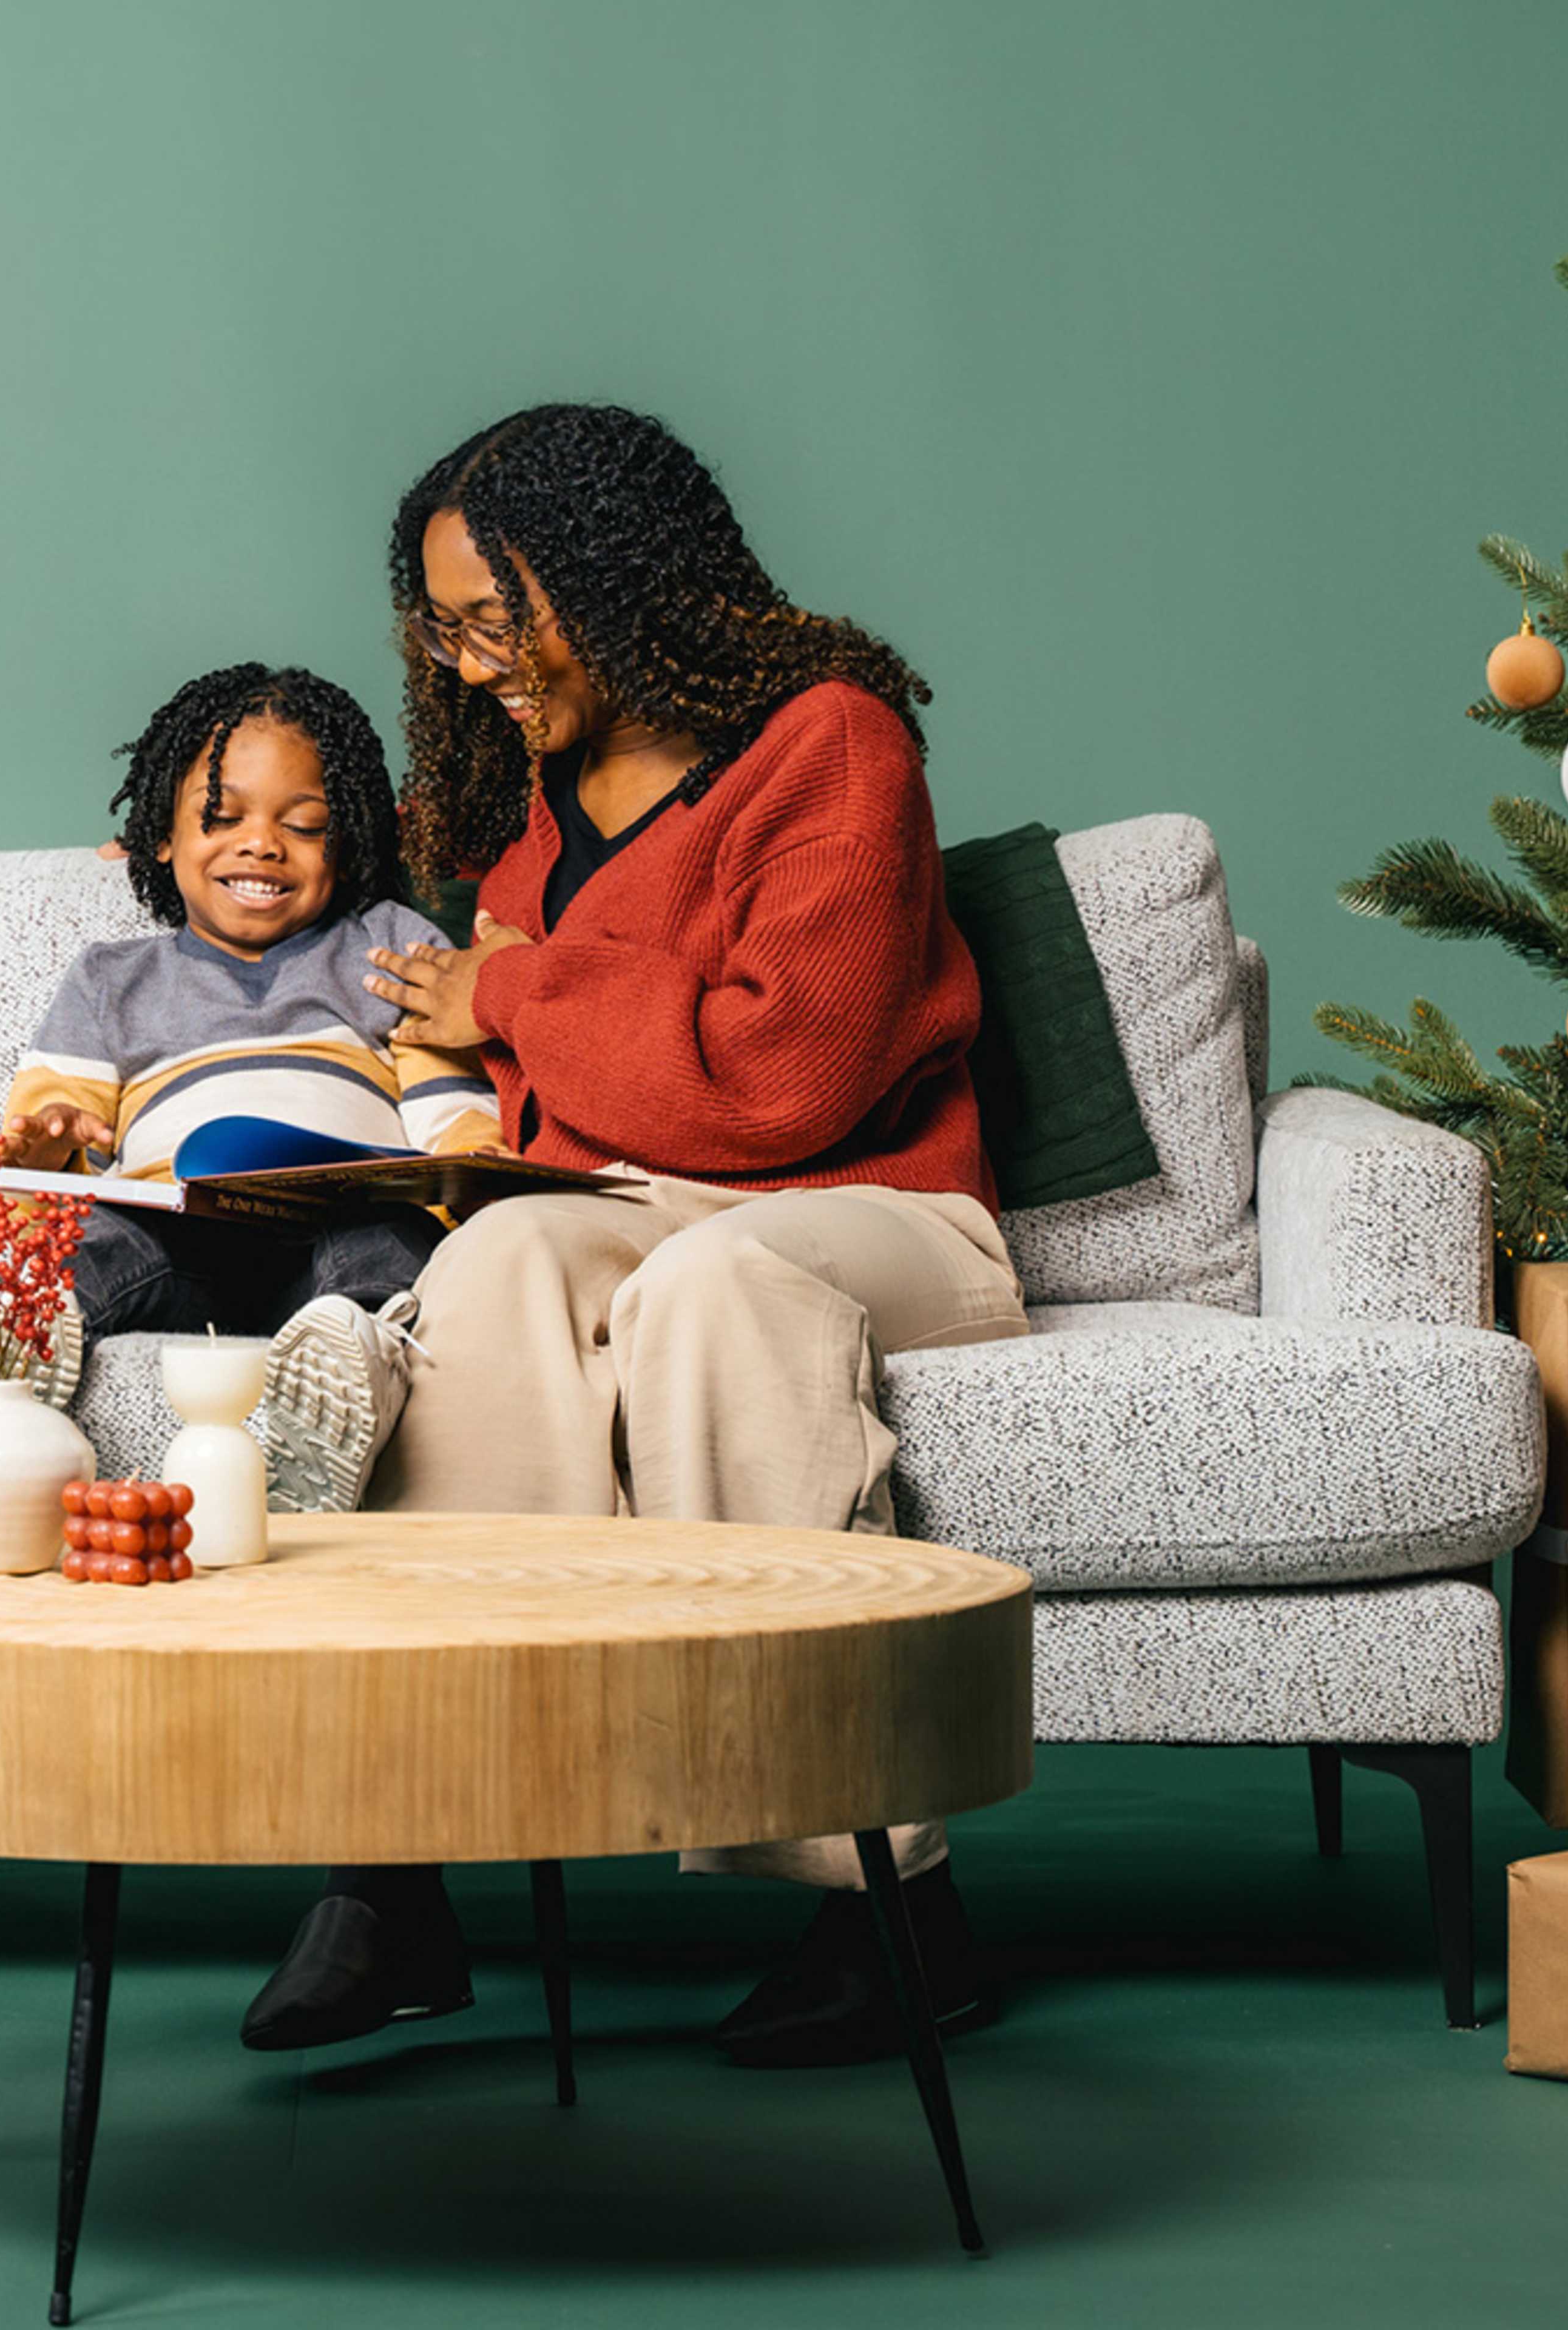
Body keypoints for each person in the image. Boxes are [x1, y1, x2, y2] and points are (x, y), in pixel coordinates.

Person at [240, 408, 1028, 2068]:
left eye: (494, 622)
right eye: (443, 632)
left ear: (614, 576)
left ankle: (888, 1903)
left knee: (714, 1282)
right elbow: (560, 1070)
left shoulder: (836, 743)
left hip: (879, 1215)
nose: (470, 668)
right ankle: (408, 1861)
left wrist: (518, 991)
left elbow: (782, 1073)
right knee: (506, 1263)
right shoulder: (531, 792)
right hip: (648, 1197)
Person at [3, 661, 499, 1511]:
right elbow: (52, 1125)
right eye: (222, 818)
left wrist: (474, 1169)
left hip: (335, 1219)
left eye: (304, 825)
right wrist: (49, 1151)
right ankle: (14, 1364)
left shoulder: (386, 944)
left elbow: (447, 1108)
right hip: (181, 1233)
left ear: (346, 845)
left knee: (388, 1239)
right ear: (162, 834)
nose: (262, 844)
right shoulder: (113, 979)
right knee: (96, 1241)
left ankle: (344, 1379)